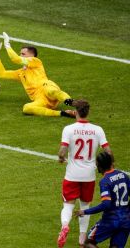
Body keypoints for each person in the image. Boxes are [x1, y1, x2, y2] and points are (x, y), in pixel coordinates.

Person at [57, 100, 113, 248]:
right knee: (85, 205)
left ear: (75, 112)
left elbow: (62, 150)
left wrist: (61, 158)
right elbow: (108, 151)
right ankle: (82, 238)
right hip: (89, 175)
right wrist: (110, 167)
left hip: (72, 175)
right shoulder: (97, 129)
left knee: (68, 205)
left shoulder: (69, 129)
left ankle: (64, 226)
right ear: (88, 112)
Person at [0, 33, 75, 117]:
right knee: (26, 108)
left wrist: (7, 45)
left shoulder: (36, 62)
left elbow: (15, 59)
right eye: (20, 54)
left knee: (51, 91)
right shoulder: (20, 73)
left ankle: (73, 102)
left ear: (32, 55)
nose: (21, 56)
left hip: (46, 87)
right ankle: (63, 113)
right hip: (41, 100)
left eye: (23, 54)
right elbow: (2, 74)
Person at [74, 152, 130, 248]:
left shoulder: (105, 181)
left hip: (110, 221)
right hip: (126, 220)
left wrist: (85, 211)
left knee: (87, 243)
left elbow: (106, 204)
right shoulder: (124, 175)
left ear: (99, 166)